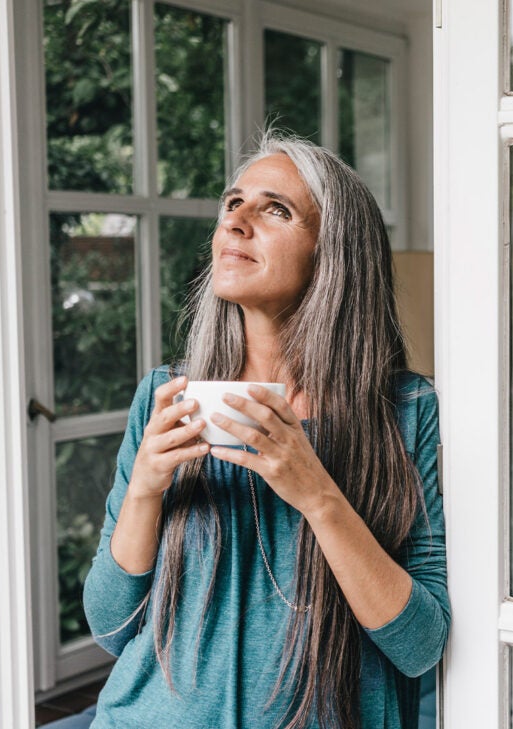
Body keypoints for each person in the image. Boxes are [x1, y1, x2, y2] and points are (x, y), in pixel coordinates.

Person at [69, 133, 448, 728]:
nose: (236, 222)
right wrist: (144, 489)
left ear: (333, 252)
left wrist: (318, 496)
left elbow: (420, 646)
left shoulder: (405, 410)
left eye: (276, 209)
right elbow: (111, 628)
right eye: (232, 203)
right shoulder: (165, 395)